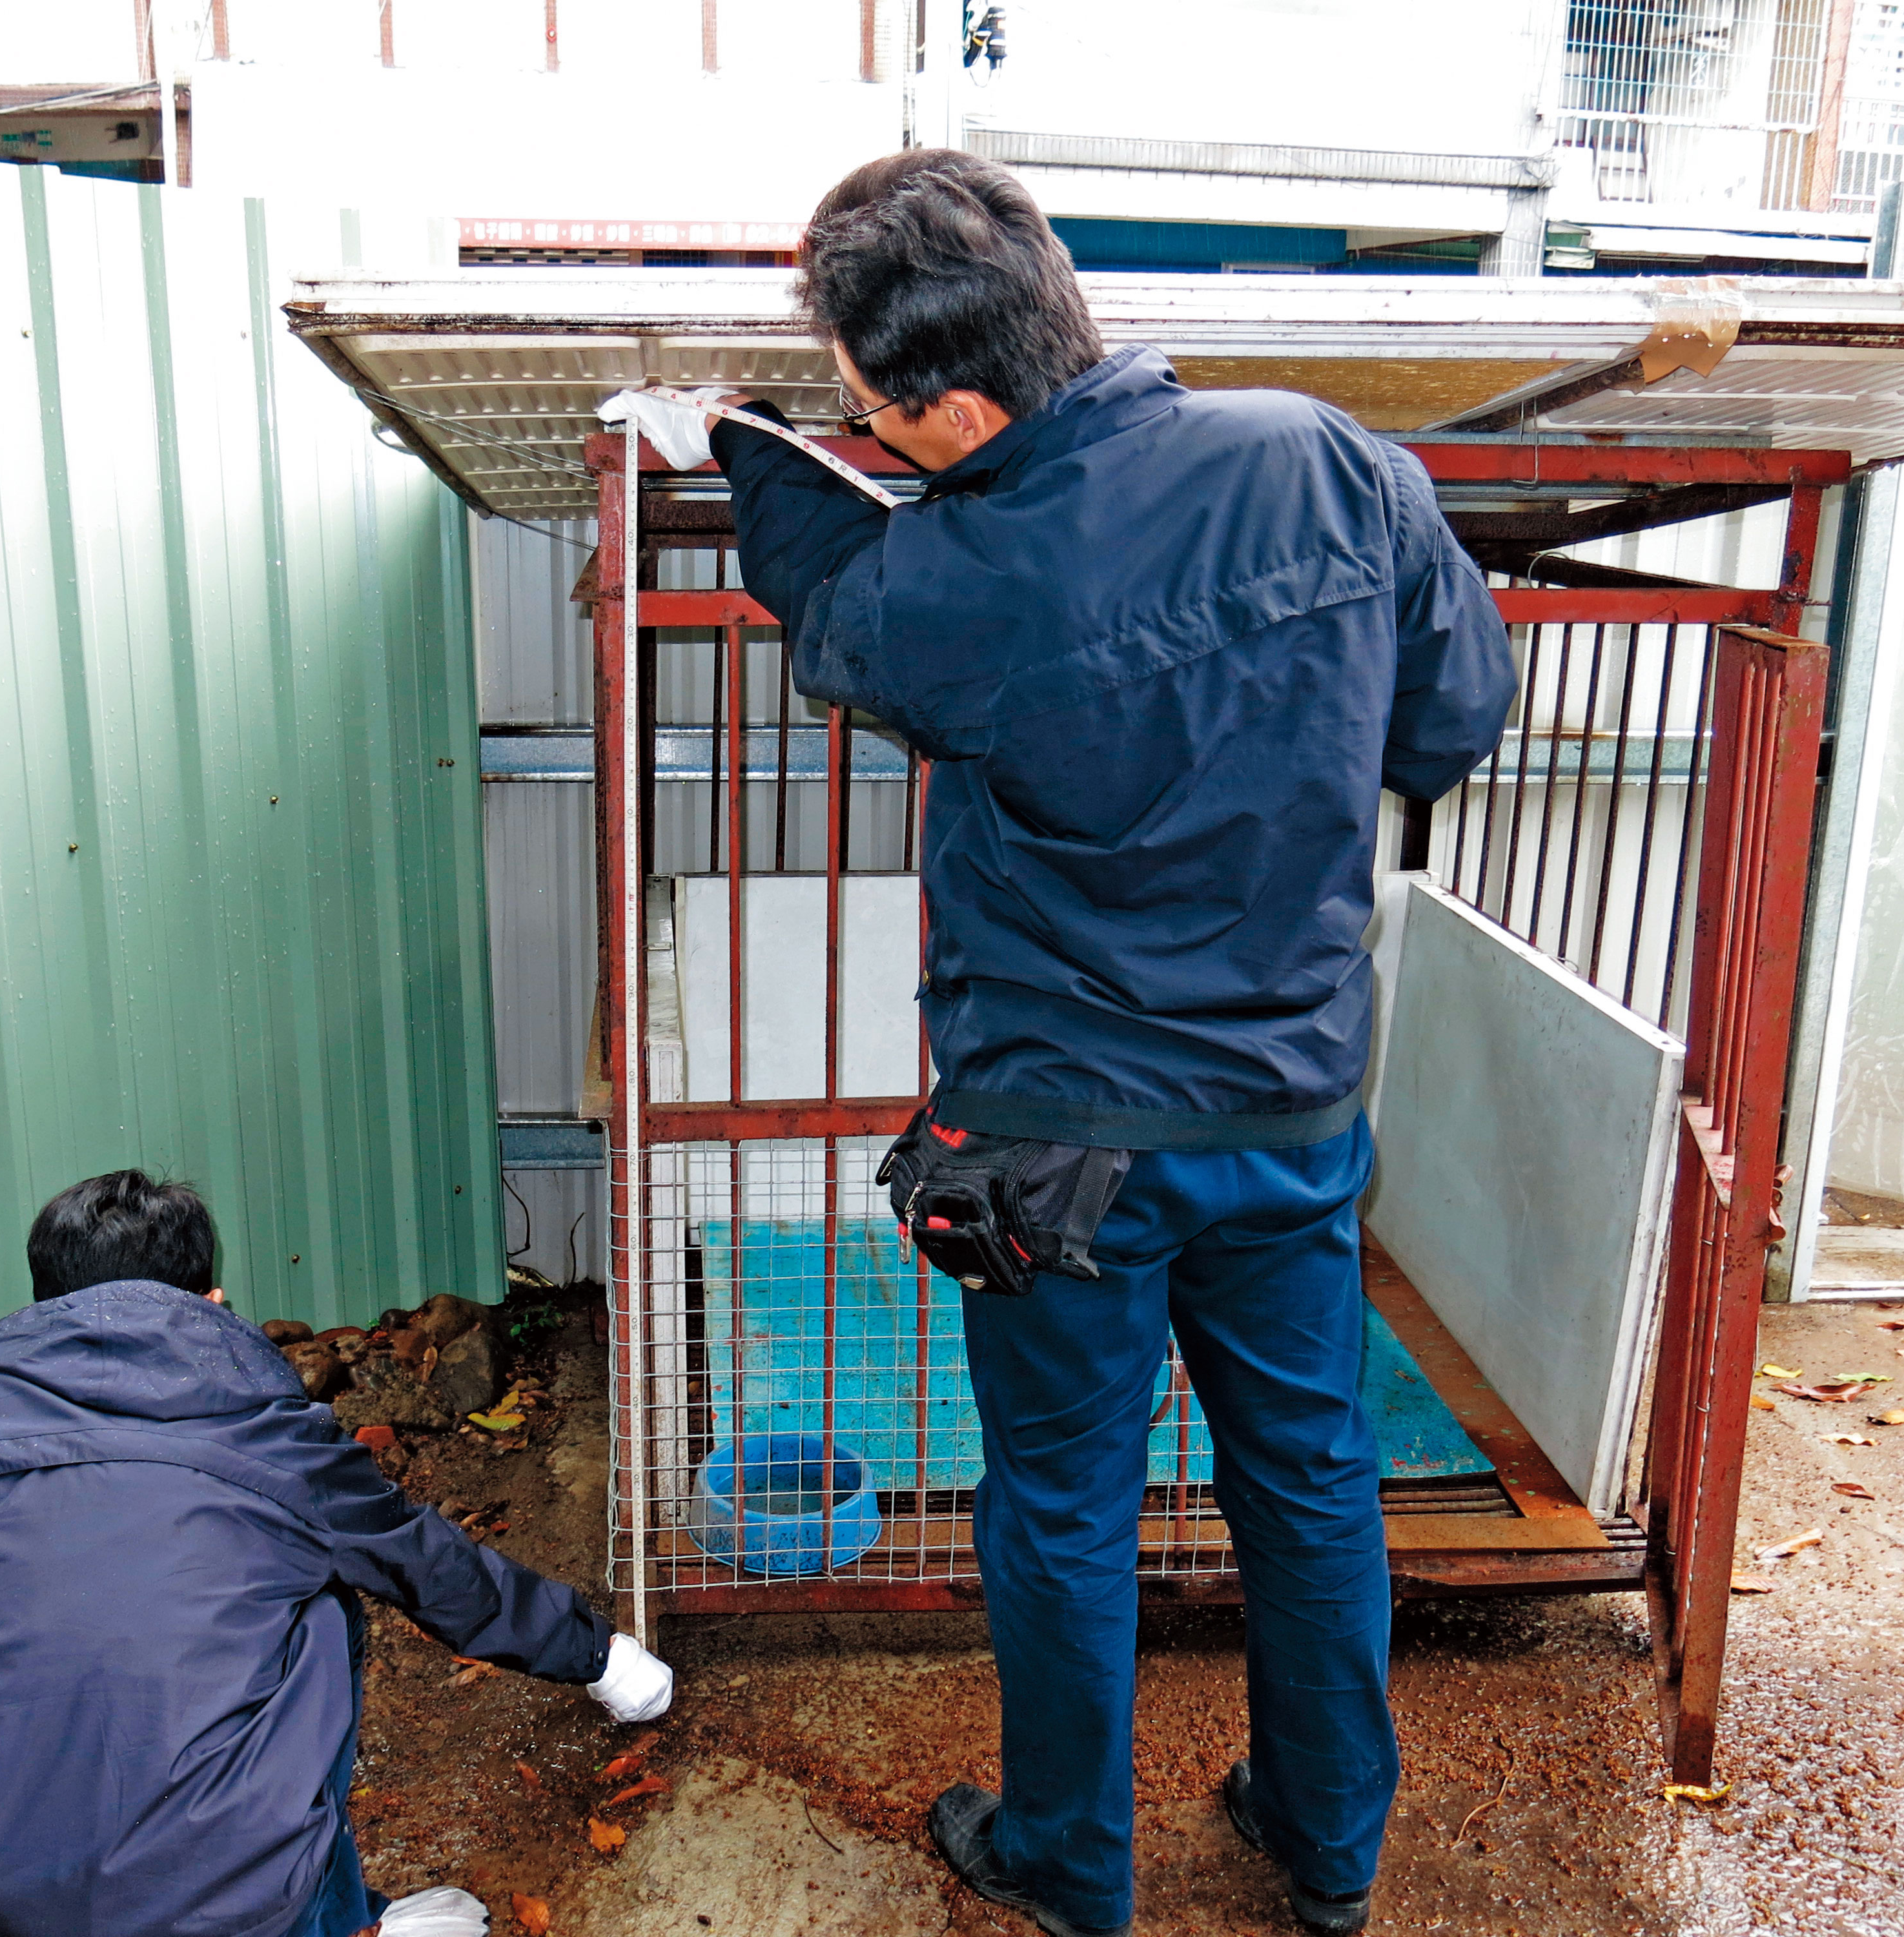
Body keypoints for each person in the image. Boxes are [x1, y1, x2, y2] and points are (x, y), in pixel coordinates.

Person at [617, 152, 1515, 1936]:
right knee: (1315, 1474)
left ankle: (1067, 1859)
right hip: (1293, 1105)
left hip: (1065, 1154)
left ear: (946, 406)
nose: (876, 439)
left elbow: (835, 597)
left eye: (879, 413)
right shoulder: (1330, 457)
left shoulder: (957, 582)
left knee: (1060, 1508)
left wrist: (731, 439)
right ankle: (1330, 1844)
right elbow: (1455, 717)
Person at [0, 1169, 672, 1937]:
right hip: (209, 1907)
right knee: (319, 1610)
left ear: (47, 1304)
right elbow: (432, 1567)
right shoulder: (269, 1436)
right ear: (210, 1304)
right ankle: (333, 1920)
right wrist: (599, 1654)